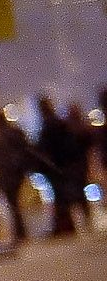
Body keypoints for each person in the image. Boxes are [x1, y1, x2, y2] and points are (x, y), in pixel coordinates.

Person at [33, 94, 90, 236]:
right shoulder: (60, 123)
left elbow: (46, 146)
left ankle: (66, 225)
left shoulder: (49, 126)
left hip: (58, 167)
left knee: (62, 197)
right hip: (66, 165)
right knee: (71, 195)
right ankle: (72, 223)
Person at [0, 110, 41, 243]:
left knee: (12, 203)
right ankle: (21, 231)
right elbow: (27, 149)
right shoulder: (15, 133)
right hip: (17, 174)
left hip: (4, 176)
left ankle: (19, 232)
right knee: (15, 202)